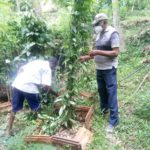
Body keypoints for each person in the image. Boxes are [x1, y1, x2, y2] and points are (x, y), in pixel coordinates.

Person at [80, 13, 120, 133]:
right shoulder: (98, 34)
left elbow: (115, 52)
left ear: (103, 22)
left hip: (109, 68)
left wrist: (97, 51)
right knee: (102, 91)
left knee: (111, 93)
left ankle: (114, 120)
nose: (96, 26)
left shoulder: (112, 33)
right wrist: (86, 57)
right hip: (99, 68)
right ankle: (104, 110)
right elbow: (95, 54)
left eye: (97, 23)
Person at [6, 57, 59, 135]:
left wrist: (20, 79)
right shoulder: (47, 68)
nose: (53, 68)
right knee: (37, 108)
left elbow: (21, 68)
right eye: (54, 67)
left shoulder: (37, 61)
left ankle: (9, 130)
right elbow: (46, 87)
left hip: (18, 84)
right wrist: (56, 94)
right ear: (53, 64)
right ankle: (41, 129)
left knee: (14, 108)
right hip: (29, 87)